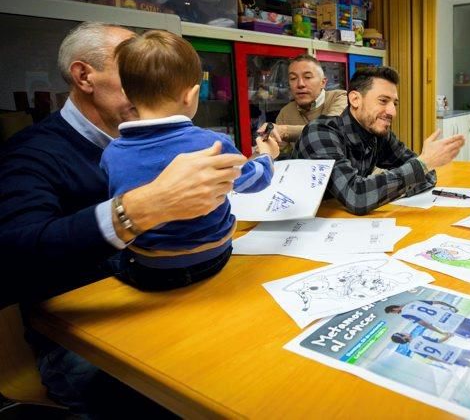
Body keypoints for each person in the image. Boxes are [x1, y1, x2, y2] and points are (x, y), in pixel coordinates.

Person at [0, 22, 247, 413]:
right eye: (135, 67)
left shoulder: (155, 138)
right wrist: (143, 207)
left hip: (166, 299)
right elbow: (13, 255)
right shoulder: (31, 154)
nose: (155, 81)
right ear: (84, 76)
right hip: (85, 337)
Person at [101, 31, 279, 291]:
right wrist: (266, 156)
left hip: (149, 269)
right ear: (191, 94)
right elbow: (255, 180)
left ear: (127, 94)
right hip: (214, 258)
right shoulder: (212, 143)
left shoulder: (112, 152)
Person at [292, 66, 464, 215]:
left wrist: (380, 191)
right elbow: (357, 197)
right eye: (383, 101)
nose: (392, 111)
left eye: (394, 103)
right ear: (355, 99)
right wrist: (423, 163)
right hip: (298, 232)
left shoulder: (378, 134)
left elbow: (427, 176)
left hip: (344, 224)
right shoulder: (320, 132)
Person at [260, 54, 347, 155]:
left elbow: (329, 128)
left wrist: (284, 131)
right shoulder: (286, 113)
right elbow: (282, 152)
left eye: (307, 77)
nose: (300, 84)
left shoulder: (339, 98)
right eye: (293, 78)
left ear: (323, 82)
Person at [391, 332, 470, 383]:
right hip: (454, 351)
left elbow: (429, 356)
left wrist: (444, 361)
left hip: (448, 358)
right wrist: (449, 336)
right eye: (403, 334)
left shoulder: (412, 349)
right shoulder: (419, 337)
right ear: (403, 337)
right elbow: (438, 341)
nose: (406, 333)